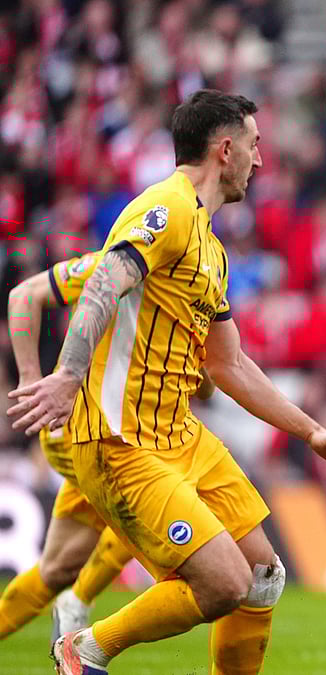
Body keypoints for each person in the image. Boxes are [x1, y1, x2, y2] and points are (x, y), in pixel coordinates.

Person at [7, 89, 326, 675]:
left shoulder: (210, 247)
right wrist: (65, 376)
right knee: (224, 582)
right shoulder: (167, 209)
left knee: (262, 577)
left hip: (179, 437)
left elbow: (228, 365)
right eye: (254, 147)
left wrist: (315, 433)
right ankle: (84, 650)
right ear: (225, 150)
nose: (261, 161)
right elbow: (103, 283)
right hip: (120, 439)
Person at [0, 250, 218, 646]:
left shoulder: (188, 289)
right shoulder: (116, 265)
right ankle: (81, 603)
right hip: (85, 428)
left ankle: (75, 599)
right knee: (153, 498)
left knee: (58, 568)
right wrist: (31, 378)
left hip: (125, 434)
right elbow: (24, 296)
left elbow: (205, 385)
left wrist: (194, 363)